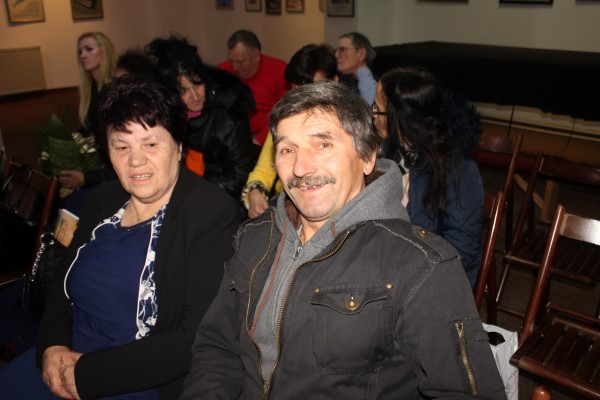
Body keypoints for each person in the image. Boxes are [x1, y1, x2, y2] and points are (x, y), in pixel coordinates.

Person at [180, 82, 506, 399]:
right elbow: (217, 348)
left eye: (323, 144)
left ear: (367, 157)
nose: (300, 167)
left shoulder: (422, 265)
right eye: (287, 149)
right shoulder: (254, 236)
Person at [33, 76, 241, 399]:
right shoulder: (102, 199)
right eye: (122, 146)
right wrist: (52, 346)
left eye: (150, 144)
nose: (136, 160)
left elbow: (194, 336)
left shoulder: (210, 214)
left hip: (136, 377)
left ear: (178, 146)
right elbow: (61, 286)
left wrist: (87, 374)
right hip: (63, 359)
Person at [374, 67, 484, 287]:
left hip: (430, 281)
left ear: (401, 118)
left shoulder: (458, 170)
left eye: (378, 108)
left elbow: (460, 251)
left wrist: (399, 276)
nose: (373, 115)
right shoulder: (387, 152)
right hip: (387, 268)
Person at [146, 35, 255, 200]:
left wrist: (189, 192)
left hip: (218, 199)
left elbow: (238, 178)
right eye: (183, 90)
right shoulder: (165, 117)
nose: (195, 96)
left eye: (197, 84)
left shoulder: (231, 114)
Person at [241, 43, 338, 218]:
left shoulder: (347, 123)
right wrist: (254, 192)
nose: (304, 98)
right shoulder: (285, 120)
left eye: (313, 88)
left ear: (334, 82)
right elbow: (264, 169)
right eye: (297, 89)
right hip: (287, 203)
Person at [59, 32, 117, 191]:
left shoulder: (114, 89)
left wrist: (87, 178)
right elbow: (87, 128)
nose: (82, 55)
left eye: (89, 49)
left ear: (104, 51)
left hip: (113, 169)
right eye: (80, 52)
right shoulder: (90, 89)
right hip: (102, 163)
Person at [219, 29, 287, 147]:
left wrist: (258, 142)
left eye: (240, 62)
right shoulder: (223, 71)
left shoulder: (279, 71)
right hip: (232, 136)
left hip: (270, 136)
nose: (234, 67)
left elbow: (284, 113)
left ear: (256, 55)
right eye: (231, 61)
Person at [335, 31, 377, 104]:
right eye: (336, 50)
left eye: (342, 49)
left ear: (361, 53)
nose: (336, 55)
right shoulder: (338, 80)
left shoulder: (379, 86)